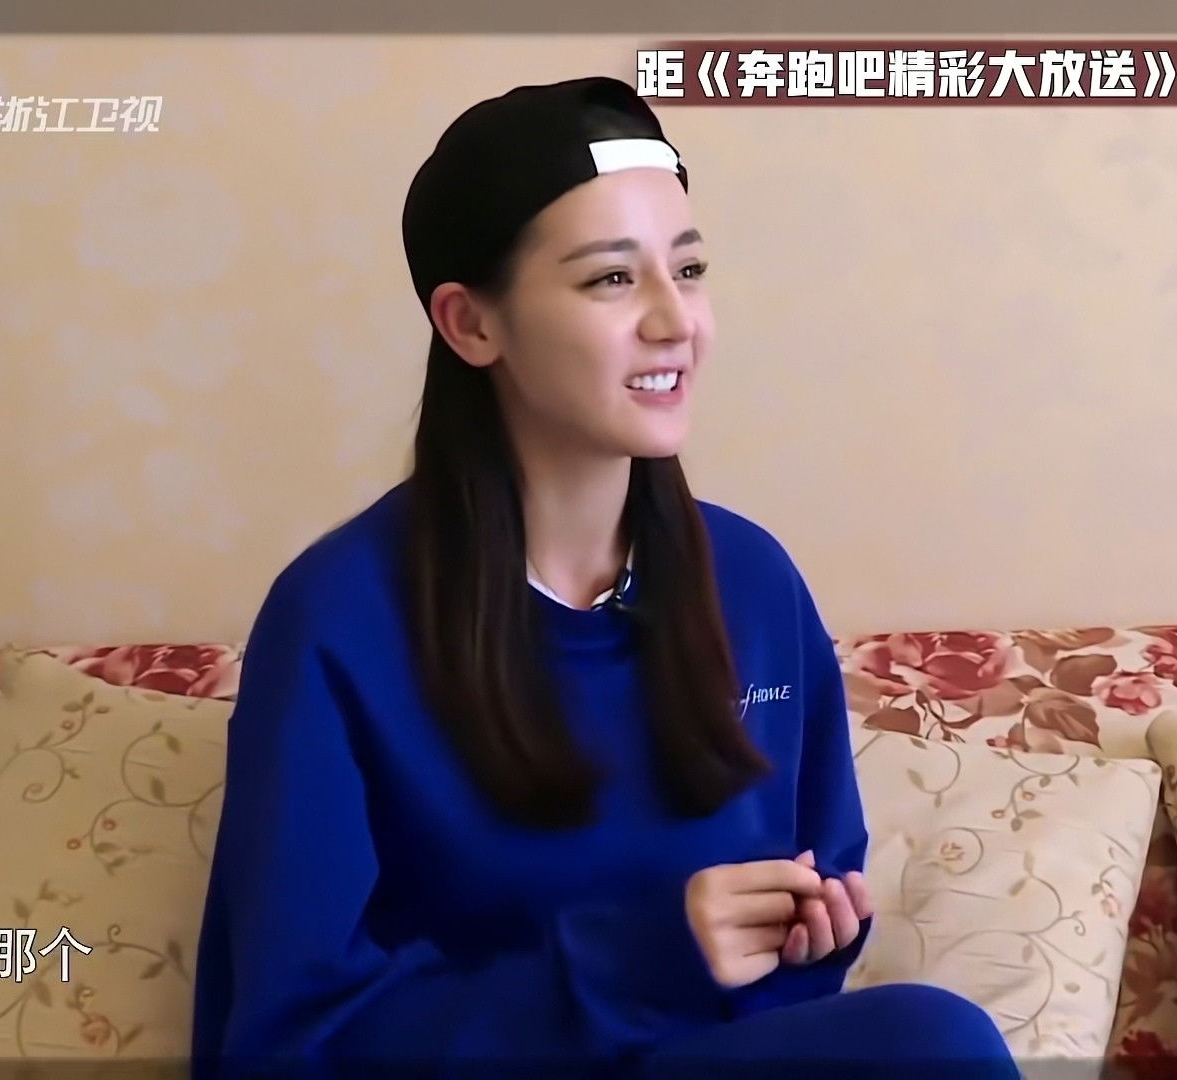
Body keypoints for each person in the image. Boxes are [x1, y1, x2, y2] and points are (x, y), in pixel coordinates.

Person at [188, 76, 1018, 1080]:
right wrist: (641, 959)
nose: (675, 320)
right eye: (612, 280)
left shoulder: (752, 584)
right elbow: (288, 1044)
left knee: (926, 1044)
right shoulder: (336, 619)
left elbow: (804, 947)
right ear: (470, 324)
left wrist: (806, 937)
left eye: (690, 269)